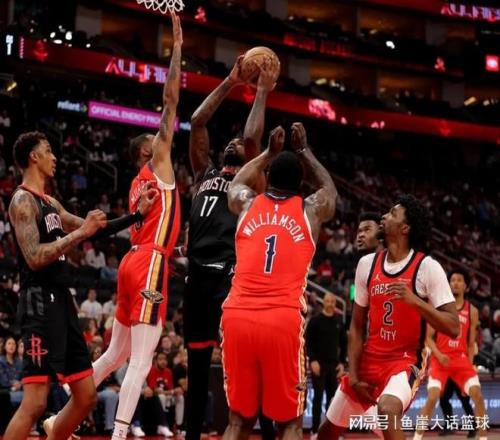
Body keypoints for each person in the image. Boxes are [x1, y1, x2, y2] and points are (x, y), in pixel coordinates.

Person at [47, 13, 183, 440]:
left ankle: (59, 415)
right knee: (140, 361)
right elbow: (171, 101)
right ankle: (120, 434)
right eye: (155, 141)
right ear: (147, 151)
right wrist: (177, 49)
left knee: (113, 355)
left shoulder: (137, 183)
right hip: (149, 265)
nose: (162, 140)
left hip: (130, 264)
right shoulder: (157, 165)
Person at [4, 130, 157, 440]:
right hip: (38, 303)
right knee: (35, 403)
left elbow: (94, 229)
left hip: (62, 301)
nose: (54, 157)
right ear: (34, 156)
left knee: (86, 397)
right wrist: (79, 233)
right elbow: (34, 257)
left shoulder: (51, 202)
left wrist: (135, 215)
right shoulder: (22, 200)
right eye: (48, 150)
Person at [221, 122, 337, 440]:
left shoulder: (246, 203)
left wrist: (267, 154)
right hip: (281, 319)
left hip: (237, 316)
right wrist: (304, 150)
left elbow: (237, 182)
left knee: (237, 422)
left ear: (268, 177)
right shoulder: (310, 210)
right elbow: (330, 192)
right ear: (300, 184)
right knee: (290, 424)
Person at [184, 55, 278, 440]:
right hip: (196, 279)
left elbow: (253, 138)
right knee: (195, 370)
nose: (233, 142)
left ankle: (269, 431)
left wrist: (261, 91)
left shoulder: (251, 182)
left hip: (230, 276)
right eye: (231, 141)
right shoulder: (203, 173)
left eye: (238, 143)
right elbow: (197, 122)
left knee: (248, 364)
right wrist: (230, 81)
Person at [319, 195, 459, 440]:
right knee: (326, 433)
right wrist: (354, 376)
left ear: (405, 228)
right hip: (369, 359)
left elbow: (453, 326)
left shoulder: (427, 267)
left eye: (392, 214)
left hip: (404, 362)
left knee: (387, 408)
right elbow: (356, 326)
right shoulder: (367, 264)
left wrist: (416, 301)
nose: (384, 216)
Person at [413, 269, 486, 440]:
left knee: (477, 395)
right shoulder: (439, 308)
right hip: (441, 360)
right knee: (432, 398)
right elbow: (428, 338)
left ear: (466, 286)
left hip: (461, 361)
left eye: (459, 280)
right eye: (452, 280)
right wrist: (438, 355)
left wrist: (470, 365)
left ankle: (483, 438)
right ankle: (416, 437)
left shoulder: (472, 311)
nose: (455, 283)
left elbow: (470, 344)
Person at [306, 293, 346, 437]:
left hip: (333, 366)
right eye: (328, 301)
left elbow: (344, 344)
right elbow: (308, 342)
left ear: (335, 304)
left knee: (333, 401)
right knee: (317, 398)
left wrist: (342, 363)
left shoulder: (339, 322)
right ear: (323, 302)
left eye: (333, 301)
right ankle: (315, 430)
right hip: (318, 365)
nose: (330, 304)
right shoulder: (315, 321)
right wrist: (312, 360)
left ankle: (332, 432)